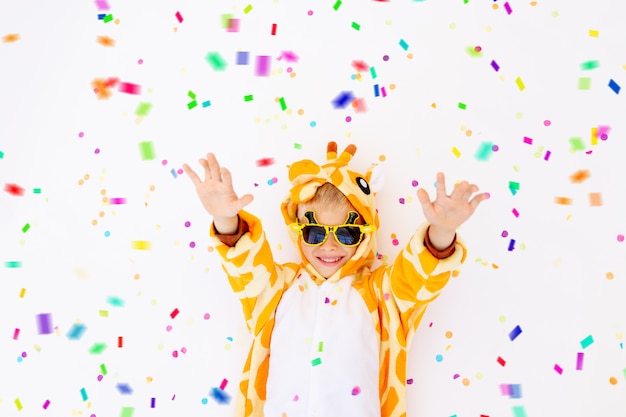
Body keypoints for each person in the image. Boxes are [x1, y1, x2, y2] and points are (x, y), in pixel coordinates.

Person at [183, 142, 488, 417]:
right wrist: (225, 219)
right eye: (314, 233)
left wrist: (442, 230)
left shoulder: (381, 294)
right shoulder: (277, 288)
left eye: (346, 233)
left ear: (366, 232)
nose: (329, 246)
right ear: (297, 231)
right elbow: (244, 264)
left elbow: (418, 278)